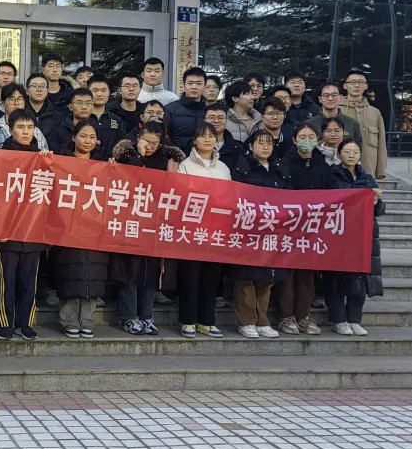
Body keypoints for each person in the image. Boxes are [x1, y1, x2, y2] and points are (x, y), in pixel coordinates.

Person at [108, 120, 183, 336]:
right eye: (146, 141)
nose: (150, 146)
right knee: (130, 270)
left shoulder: (168, 159)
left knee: (150, 272)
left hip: (154, 222)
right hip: (129, 219)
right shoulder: (125, 155)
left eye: (154, 143)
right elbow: (126, 180)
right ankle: (129, 316)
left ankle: (146, 316)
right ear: (138, 137)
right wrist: (139, 156)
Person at [229, 129, 292, 339]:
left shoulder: (280, 169)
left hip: (273, 230)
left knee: (267, 278)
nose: (265, 147)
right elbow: (235, 196)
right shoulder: (241, 167)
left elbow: (290, 198)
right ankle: (246, 321)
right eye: (261, 143)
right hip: (248, 229)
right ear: (251, 146)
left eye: (269, 143)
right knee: (246, 278)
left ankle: (263, 320)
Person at [0, 110, 49, 341]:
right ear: (10, 129)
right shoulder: (0, 157)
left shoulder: (44, 158)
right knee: (7, 281)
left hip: (33, 231)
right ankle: (5, 322)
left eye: (29, 128)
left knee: (29, 281)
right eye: (20, 127)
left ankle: (25, 322)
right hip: (7, 232)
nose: (25, 132)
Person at [175, 122, 232, 338]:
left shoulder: (223, 168)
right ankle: (188, 321)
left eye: (211, 136)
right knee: (190, 277)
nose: (207, 139)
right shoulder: (185, 166)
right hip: (191, 230)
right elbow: (179, 196)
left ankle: (207, 321)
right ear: (194, 140)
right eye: (202, 135)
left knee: (211, 278)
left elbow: (230, 198)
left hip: (215, 231)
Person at [54, 120, 110, 338]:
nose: (87, 141)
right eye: (83, 136)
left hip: (95, 228)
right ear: (73, 137)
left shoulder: (104, 165)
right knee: (71, 273)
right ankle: (68, 319)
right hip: (68, 227)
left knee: (92, 274)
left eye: (92, 137)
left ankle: (87, 319)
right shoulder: (61, 162)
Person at [277, 123, 333, 336]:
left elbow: (332, 194)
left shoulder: (323, 165)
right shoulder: (284, 164)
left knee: (307, 275)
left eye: (311, 137)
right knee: (288, 274)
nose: (307, 141)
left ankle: (303, 315)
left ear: (317, 140)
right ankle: (285, 316)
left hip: (312, 228)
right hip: (289, 227)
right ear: (294, 140)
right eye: (302, 136)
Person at [327, 139, 385, 336]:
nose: (351, 155)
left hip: (363, 235)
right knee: (337, 278)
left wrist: (376, 201)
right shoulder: (332, 175)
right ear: (339, 154)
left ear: (360, 155)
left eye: (355, 152)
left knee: (360, 278)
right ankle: (339, 319)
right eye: (347, 151)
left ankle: (355, 319)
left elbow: (379, 210)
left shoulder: (367, 178)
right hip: (339, 233)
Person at [339, 69, 388, 178]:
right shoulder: (337, 110)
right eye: (352, 82)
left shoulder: (375, 112)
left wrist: (381, 170)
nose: (357, 85)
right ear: (345, 86)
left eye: (361, 82)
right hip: (340, 170)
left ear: (366, 86)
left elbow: (381, 143)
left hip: (368, 169)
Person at [0, 84, 50, 149]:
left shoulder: (36, 132)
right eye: (11, 99)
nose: (16, 103)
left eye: (20, 99)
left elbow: (43, 152)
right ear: (3, 103)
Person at [164, 66, 207, 152]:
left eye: (199, 83)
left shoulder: (209, 111)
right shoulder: (169, 110)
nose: (194, 87)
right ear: (183, 85)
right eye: (190, 83)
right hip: (176, 157)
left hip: (204, 157)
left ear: (204, 86)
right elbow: (163, 137)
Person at [87, 74, 125, 153]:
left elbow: (122, 146)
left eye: (103, 90)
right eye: (95, 90)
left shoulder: (116, 120)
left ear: (109, 92)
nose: (99, 94)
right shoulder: (81, 117)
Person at [203, 101, 245, 171]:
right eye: (212, 117)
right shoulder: (195, 146)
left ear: (226, 120)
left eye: (220, 118)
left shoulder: (238, 148)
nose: (216, 121)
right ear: (205, 120)